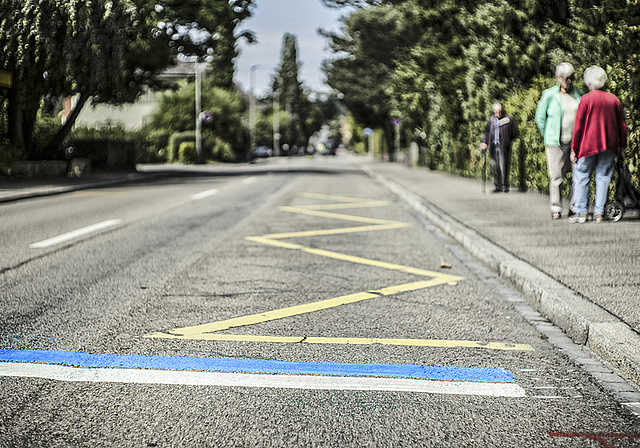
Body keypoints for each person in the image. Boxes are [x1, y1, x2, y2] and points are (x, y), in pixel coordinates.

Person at [569, 66, 627, 224]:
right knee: (603, 177)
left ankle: (582, 213)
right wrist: (622, 147)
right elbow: (622, 126)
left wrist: (574, 148)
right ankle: (599, 213)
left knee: (582, 176)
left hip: (587, 145)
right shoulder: (614, 99)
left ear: (589, 83)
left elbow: (578, 126)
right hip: (609, 145)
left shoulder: (586, 100)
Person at [535, 63, 584, 220]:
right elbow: (540, 118)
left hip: (576, 143)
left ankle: (575, 207)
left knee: (578, 175)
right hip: (556, 142)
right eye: (566, 78)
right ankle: (556, 208)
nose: (570, 81)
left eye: (572, 78)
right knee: (557, 176)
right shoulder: (549, 95)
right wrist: (548, 136)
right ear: (558, 78)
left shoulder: (579, 94)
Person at [480, 102, 519, 192]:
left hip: (503, 146)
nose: (497, 113)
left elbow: (515, 132)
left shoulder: (509, 119)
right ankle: (497, 185)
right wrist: (484, 142)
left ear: (502, 110)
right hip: (493, 146)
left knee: (503, 166)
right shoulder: (491, 120)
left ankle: (505, 185)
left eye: (499, 111)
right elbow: (486, 133)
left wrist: (507, 141)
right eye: (495, 111)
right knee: (494, 166)